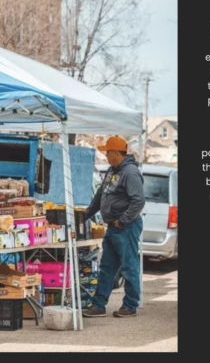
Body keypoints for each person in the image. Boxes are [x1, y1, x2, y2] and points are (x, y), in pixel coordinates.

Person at [84, 136, 145, 318]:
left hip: (126, 227)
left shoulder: (130, 172)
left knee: (129, 267)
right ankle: (99, 305)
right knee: (107, 267)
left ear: (116, 153)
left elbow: (138, 201)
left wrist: (123, 221)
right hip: (113, 227)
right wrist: (87, 213)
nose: (105, 155)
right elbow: (100, 195)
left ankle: (130, 306)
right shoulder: (112, 170)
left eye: (108, 152)